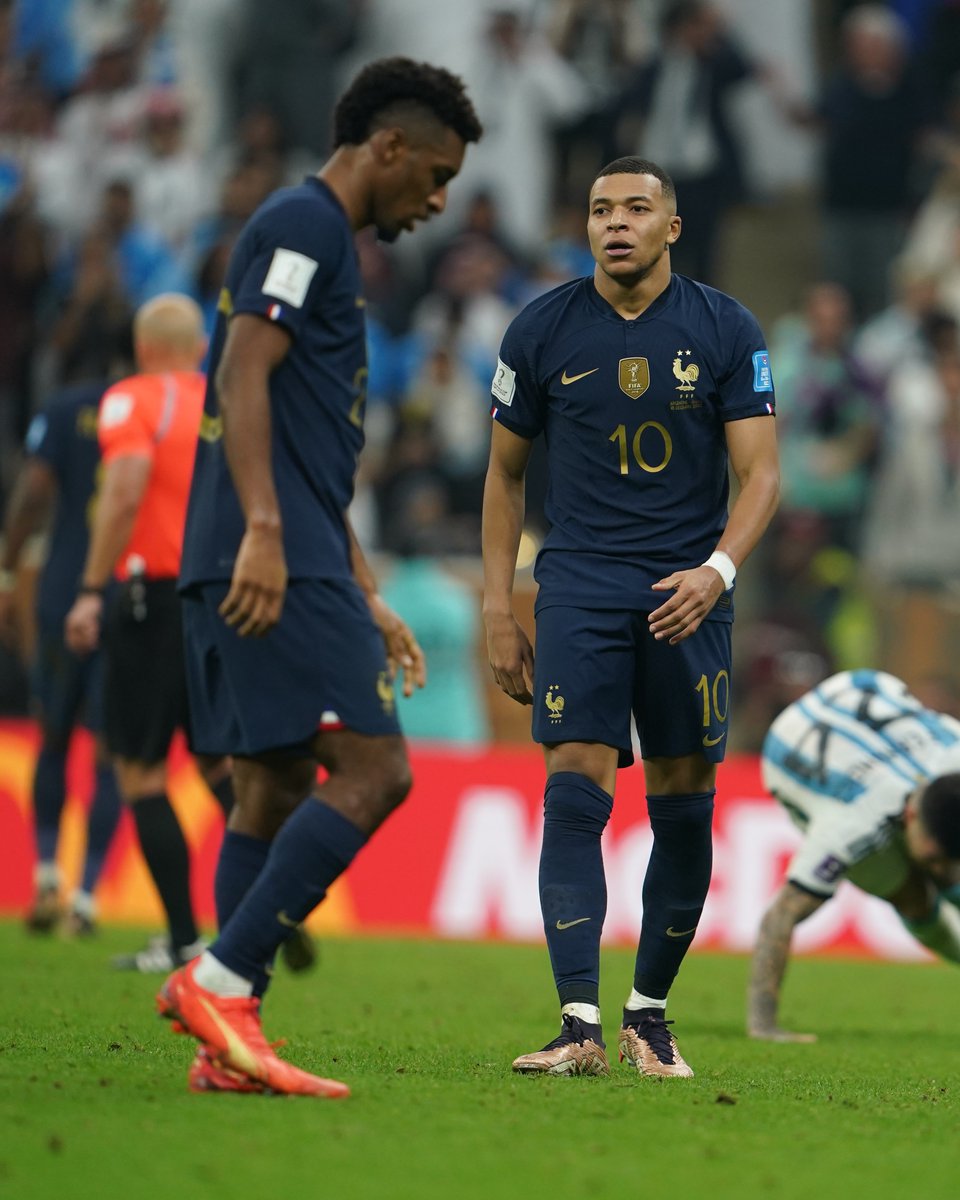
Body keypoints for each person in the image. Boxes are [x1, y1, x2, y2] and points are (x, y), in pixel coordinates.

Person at [155, 57, 482, 1098]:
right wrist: (264, 529)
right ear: (386, 148)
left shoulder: (322, 239)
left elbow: (304, 440)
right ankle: (222, 978)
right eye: (433, 175)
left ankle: (227, 1042)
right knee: (379, 769)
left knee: (274, 782)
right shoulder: (304, 228)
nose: (436, 201)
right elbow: (242, 368)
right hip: (269, 548)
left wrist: (362, 586)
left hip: (281, 542)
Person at [482, 155, 780, 1078]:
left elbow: (762, 474)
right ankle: (578, 1024)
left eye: (637, 208)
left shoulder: (726, 327)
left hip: (690, 595)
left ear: (671, 227)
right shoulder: (540, 329)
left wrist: (719, 571)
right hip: (579, 587)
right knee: (573, 788)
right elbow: (502, 474)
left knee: (686, 806)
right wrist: (500, 602)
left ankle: (648, 1017)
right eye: (602, 209)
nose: (616, 222)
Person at [64, 294, 234, 972]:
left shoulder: (131, 400)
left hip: (148, 597)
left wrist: (87, 589)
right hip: (215, 599)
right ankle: (275, 906)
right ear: (198, 349)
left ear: (141, 347)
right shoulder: (222, 404)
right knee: (217, 760)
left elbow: (128, 486)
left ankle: (185, 939)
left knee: (138, 771)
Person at [748, 669, 960, 1043]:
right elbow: (779, 918)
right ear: (910, 817)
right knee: (914, 896)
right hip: (789, 749)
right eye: (938, 858)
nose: (945, 869)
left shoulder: (953, 750)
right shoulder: (850, 826)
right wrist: (764, 1025)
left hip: (861, 687)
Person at [0, 375, 125, 936]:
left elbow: (35, 488)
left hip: (62, 594)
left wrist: (6, 566)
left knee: (52, 738)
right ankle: (88, 896)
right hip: (128, 601)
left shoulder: (64, 405)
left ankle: (47, 874)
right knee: (110, 754)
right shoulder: (161, 410)